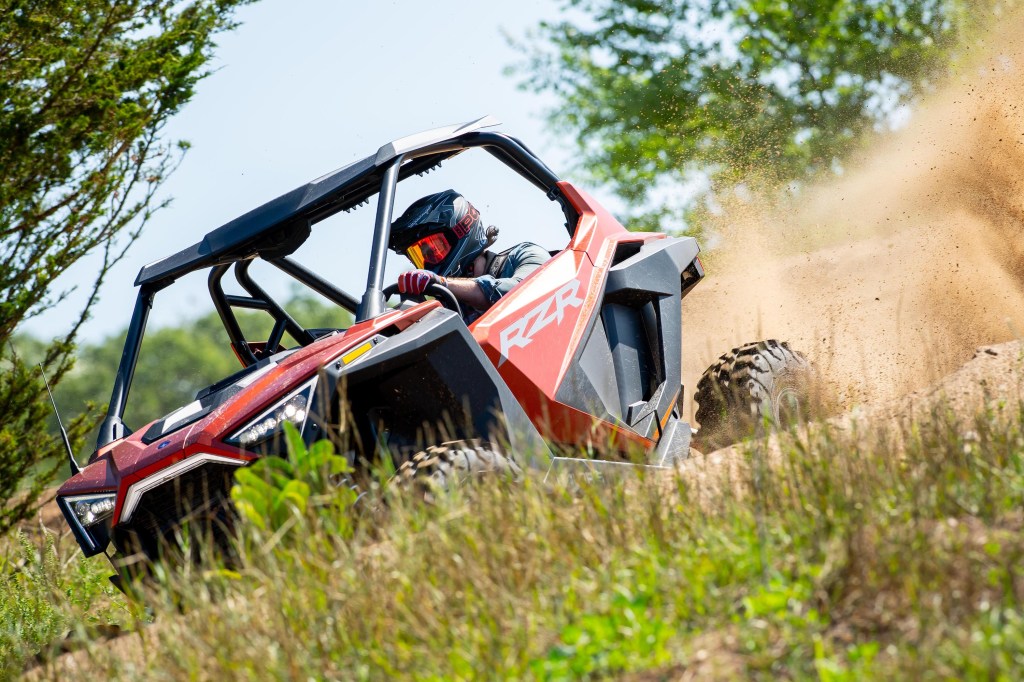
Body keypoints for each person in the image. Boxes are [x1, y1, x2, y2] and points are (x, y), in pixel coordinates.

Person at [388, 190, 550, 320]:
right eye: (418, 257)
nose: (428, 262)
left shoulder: (526, 255)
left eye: (434, 249)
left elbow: (524, 294)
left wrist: (443, 283)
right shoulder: (448, 310)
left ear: (460, 231)